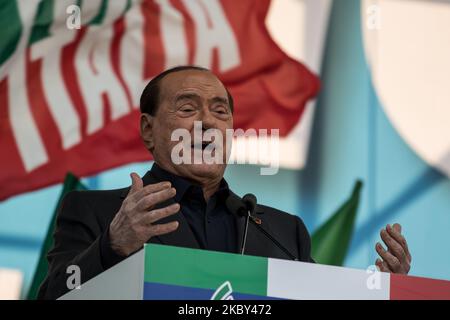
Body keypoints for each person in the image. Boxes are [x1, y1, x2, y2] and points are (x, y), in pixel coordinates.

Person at [38, 66, 412, 299]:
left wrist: (382, 291)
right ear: (148, 129)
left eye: (220, 111)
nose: (208, 121)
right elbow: (56, 295)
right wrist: (111, 246)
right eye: (187, 108)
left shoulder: (282, 231)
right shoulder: (98, 212)